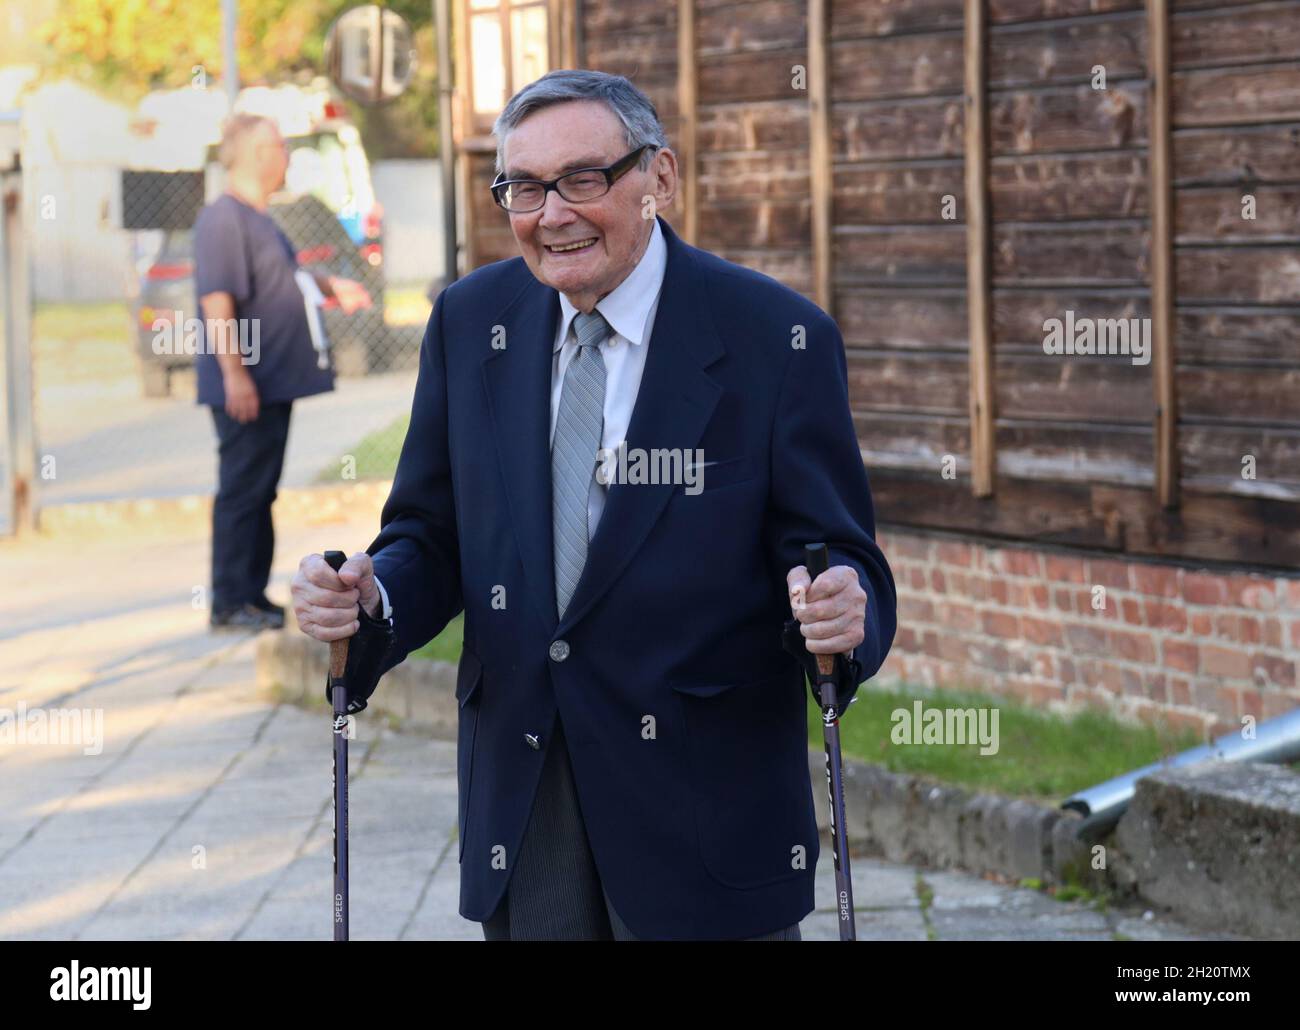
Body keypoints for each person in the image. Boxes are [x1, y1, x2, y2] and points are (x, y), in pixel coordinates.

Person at [290, 70, 897, 940]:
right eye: (524, 188)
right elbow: (429, 534)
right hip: (525, 804)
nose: (552, 213)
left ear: (661, 178)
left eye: (584, 179)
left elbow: (842, 557)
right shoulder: (469, 324)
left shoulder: (775, 339)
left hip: (706, 815)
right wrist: (371, 593)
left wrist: (845, 604)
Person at [195, 112, 368, 631]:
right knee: (242, 489)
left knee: (259, 488)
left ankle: (251, 594)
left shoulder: (259, 218)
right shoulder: (223, 219)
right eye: (279, 146)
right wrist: (235, 375)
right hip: (247, 385)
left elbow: (284, 278)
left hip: (269, 384)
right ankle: (230, 602)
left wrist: (332, 287)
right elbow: (217, 302)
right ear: (253, 156)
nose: (287, 156)